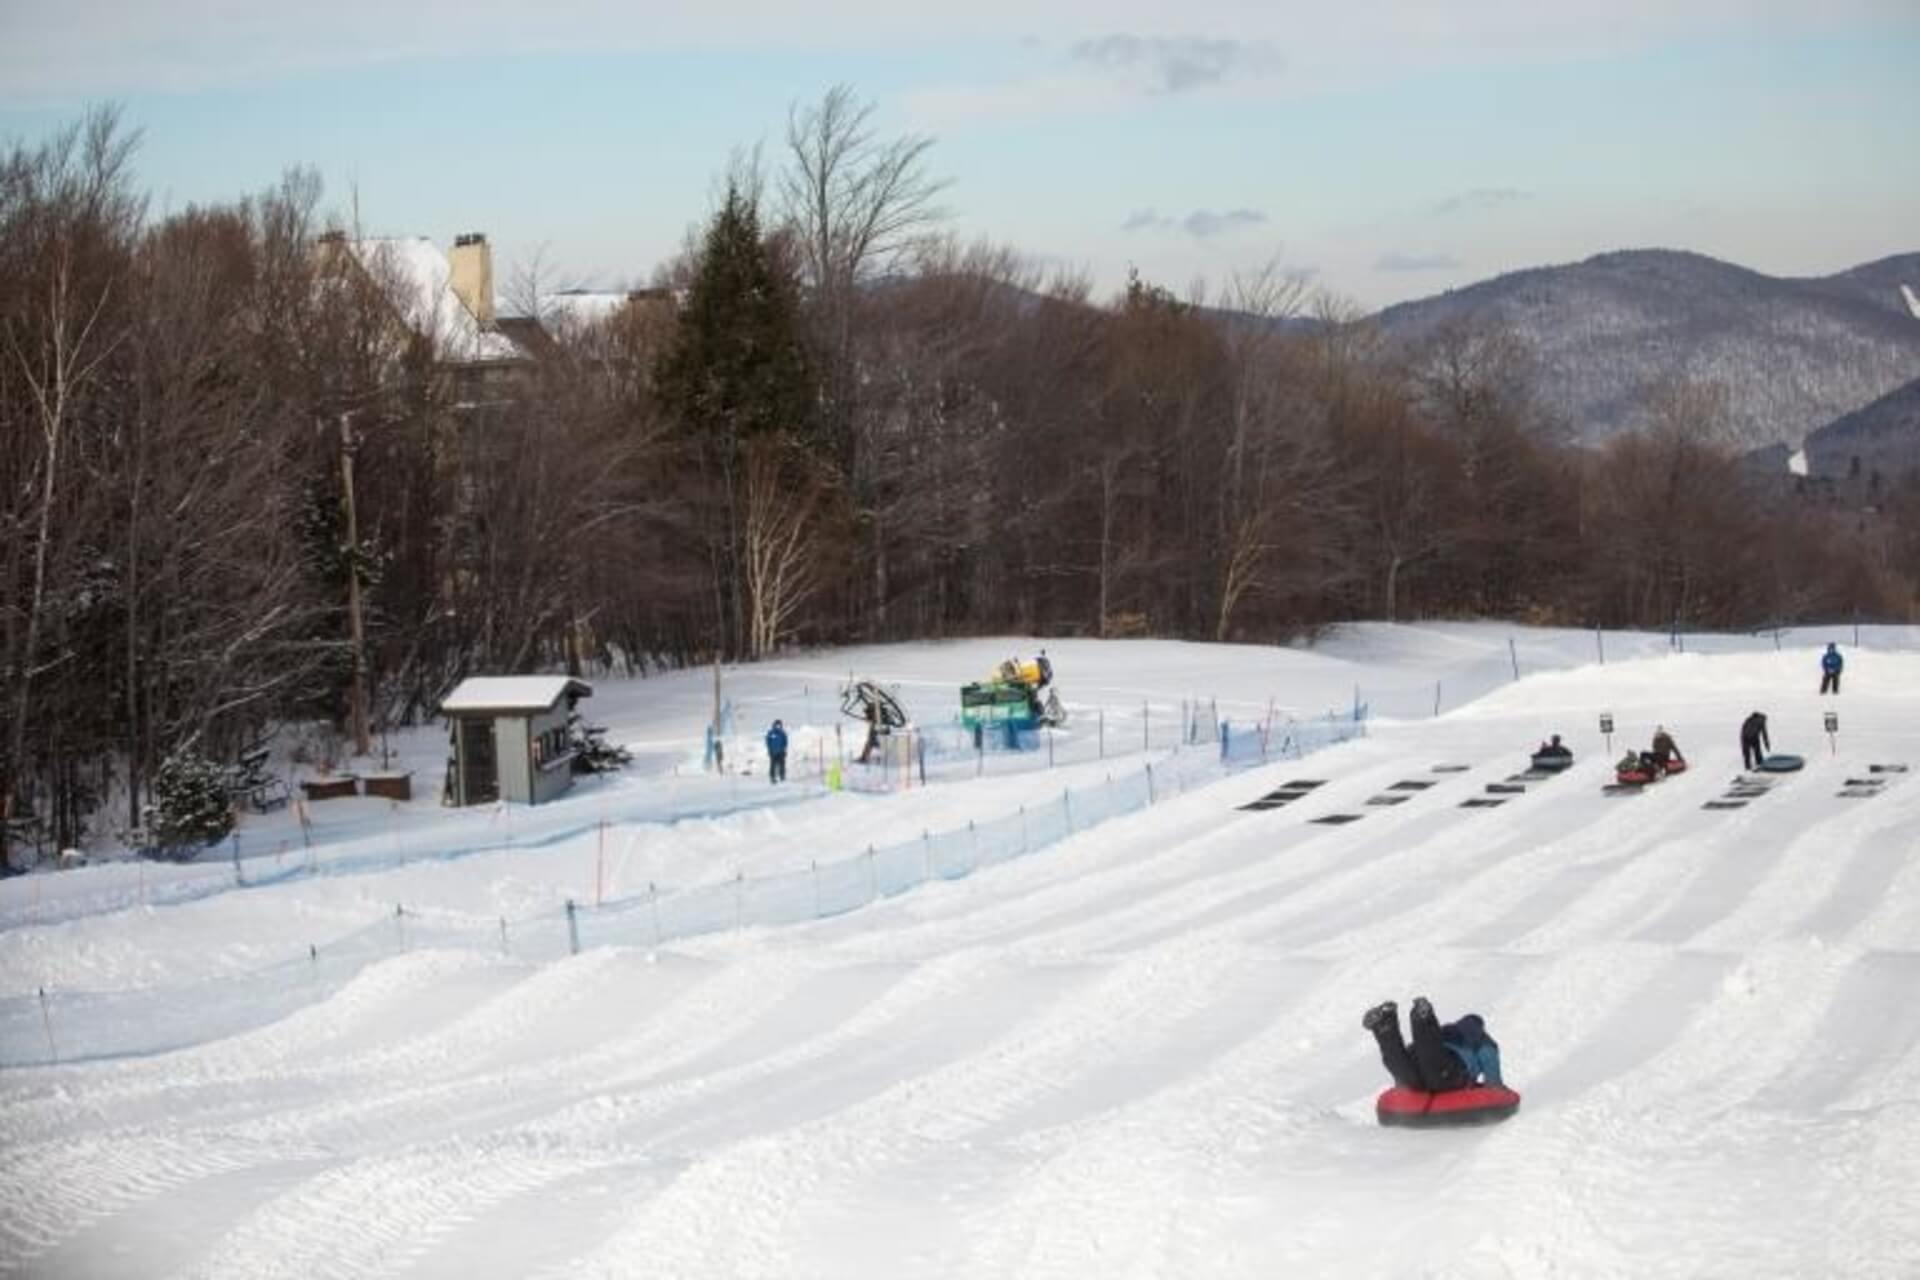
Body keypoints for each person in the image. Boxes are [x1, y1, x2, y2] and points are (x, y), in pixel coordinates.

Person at [1362, 998, 1503, 1092]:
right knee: (1435, 1070)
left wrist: (1402, 1086)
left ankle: (1386, 1026)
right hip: (1450, 1068)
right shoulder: (1479, 1037)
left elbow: (1422, 1045)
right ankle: (1423, 1020)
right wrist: (1495, 1086)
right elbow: (1489, 1060)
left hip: (1419, 1056)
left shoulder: (1445, 1031)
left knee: (1403, 1067)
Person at [765, 719, 788, 784]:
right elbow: (768, 742)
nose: (778, 726)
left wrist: (784, 750)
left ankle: (782, 776)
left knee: (782, 764)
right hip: (773, 752)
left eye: (779, 725)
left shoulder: (782, 733)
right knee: (772, 765)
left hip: (781, 752)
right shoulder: (771, 733)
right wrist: (770, 750)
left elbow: (785, 742)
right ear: (774, 725)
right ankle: (772, 777)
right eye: (777, 725)